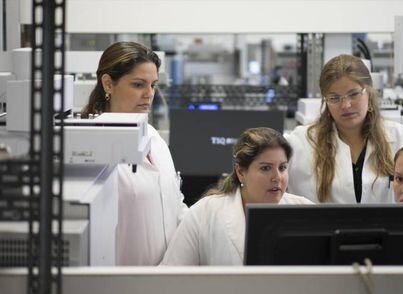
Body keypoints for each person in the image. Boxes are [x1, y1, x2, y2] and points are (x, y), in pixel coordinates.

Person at [82, 42, 187, 265]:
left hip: (167, 276)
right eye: (138, 85)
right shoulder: (89, 151)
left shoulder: (153, 137)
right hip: (120, 284)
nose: (149, 94)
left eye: (153, 85)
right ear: (108, 83)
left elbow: (175, 204)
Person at [161, 127, 313, 266]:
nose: (277, 177)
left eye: (282, 168)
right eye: (265, 168)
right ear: (240, 172)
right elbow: (170, 276)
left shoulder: (306, 212)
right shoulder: (204, 214)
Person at [287, 54, 403, 204]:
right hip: (319, 227)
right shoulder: (299, 143)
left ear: (369, 92)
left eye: (353, 94)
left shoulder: (402, 138)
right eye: (334, 98)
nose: (346, 105)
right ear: (325, 101)